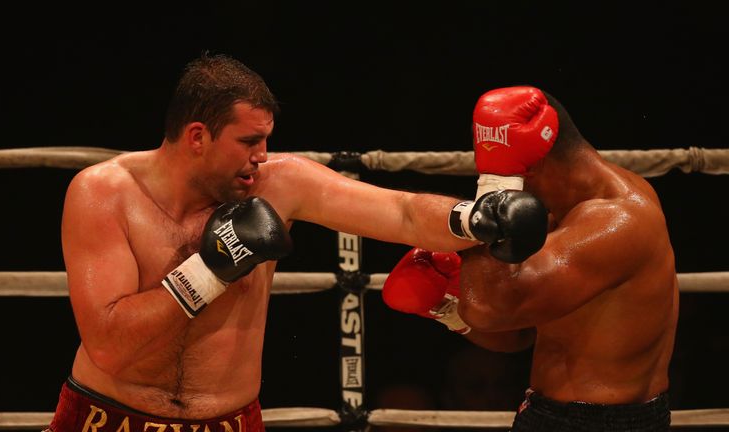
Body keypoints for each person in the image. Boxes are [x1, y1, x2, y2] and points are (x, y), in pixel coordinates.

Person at [47, 54, 549, 432]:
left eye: (266, 140)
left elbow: (399, 211)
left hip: (229, 420)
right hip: (106, 417)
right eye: (248, 142)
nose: (262, 157)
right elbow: (109, 346)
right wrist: (209, 271)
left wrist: (475, 217)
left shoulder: (278, 184)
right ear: (196, 136)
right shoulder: (104, 193)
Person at [382, 86, 677, 431]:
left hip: (592, 421)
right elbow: (516, 335)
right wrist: (445, 309)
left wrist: (496, 187)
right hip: (569, 412)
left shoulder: (616, 221)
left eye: (506, 171)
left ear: (530, 162)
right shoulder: (568, 211)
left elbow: (488, 310)